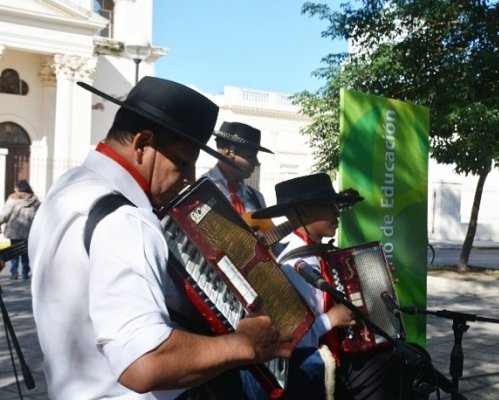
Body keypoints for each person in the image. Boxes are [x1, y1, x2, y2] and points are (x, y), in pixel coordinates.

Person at [28, 77, 290, 399]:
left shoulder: (67, 188)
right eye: (182, 162)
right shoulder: (126, 220)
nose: (189, 179)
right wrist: (243, 344)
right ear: (142, 144)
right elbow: (144, 361)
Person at [248, 173, 423, 400]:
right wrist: (330, 320)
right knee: (398, 364)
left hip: (344, 353)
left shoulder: (324, 253)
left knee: (412, 356)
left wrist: (379, 285)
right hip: (318, 364)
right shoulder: (291, 267)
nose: (337, 211)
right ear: (303, 212)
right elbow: (290, 338)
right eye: (327, 205)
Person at [203, 121, 273, 217]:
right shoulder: (201, 190)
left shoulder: (256, 198)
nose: (256, 163)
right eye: (250, 156)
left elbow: (266, 229)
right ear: (228, 152)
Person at [0, 179, 40, 279]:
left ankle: (14, 273)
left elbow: (5, 214)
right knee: (25, 252)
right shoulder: (35, 200)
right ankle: (25, 272)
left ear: (18, 188)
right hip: (29, 231)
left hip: (15, 231)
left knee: (14, 252)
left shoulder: (13, 199)